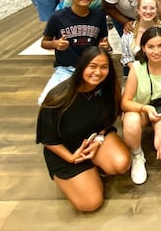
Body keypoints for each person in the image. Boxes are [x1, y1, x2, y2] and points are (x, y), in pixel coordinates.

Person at [36, 46, 130, 212]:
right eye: (92, 66)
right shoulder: (57, 98)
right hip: (66, 151)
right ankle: (85, 173)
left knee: (121, 163)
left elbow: (107, 122)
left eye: (104, 67)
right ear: (82, 67)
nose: (98, 72)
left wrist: (99, 140)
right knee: (90, 203)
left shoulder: (107, 90)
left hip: (94, 139)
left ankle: (92, 168)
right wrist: (71, 158)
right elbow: (47, 139)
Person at [121, 27, 161, 184]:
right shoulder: (136, 68)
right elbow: (125, 102)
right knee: (131, 120)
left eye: (160, 46)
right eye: (151, 47)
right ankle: (137, 155)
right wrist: (144, 108)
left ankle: (160, 133)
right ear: (143, 48)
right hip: (140, 108)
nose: (156, 51)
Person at [37, 0, 110, 105]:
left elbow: (103, 42)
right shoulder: (57, 17)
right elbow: (44, 43)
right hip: (66, 68)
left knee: (105, 101)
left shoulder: (99, 16)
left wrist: (105, 46)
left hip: (92, 67)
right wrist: (55, 44)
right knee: (45, 101)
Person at [120, 0, 161, 69]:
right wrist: (139, 73)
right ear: (138, 10)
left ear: (157, 10)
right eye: (144, 8)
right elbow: (126, 57)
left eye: (152, 8)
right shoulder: (129, 31)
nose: (148, 11)